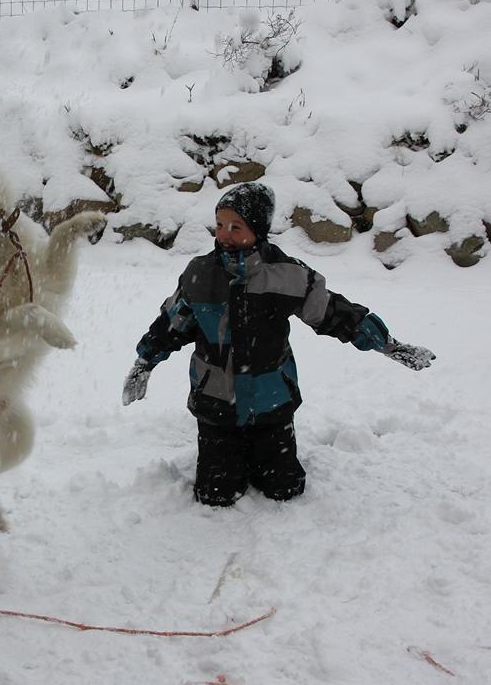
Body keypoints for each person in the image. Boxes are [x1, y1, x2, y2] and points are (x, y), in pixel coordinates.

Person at [122, 182, 435, 507]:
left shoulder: (287, 276)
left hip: (271, 403)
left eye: (235, 226)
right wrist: (144, 363)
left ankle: (262, 455)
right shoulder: (200, 275)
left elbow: (336, 314)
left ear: (258, 230)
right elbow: (171, 325)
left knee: (285, 489)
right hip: (217, 407)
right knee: (215, 495)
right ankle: (229, 458)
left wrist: (388, 345)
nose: (224, 234)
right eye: (219, 225)